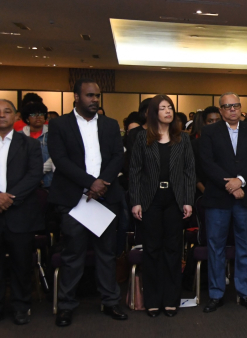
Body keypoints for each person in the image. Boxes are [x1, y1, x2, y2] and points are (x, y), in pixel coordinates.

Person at [48, 78, 128, 326]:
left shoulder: (110, 124)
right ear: (76, 96)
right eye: (89, 96)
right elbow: (60, 160)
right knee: (73, 255)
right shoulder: (60, 124)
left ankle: (110, 302)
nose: (95, 100)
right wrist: (89, 182)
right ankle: (66, 306)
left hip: (104, 198)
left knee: (106, 254)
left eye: (97, 96)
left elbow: (117, 156)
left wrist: (102, 181)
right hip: (75, 201)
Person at [199, 92, 247, 313]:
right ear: (220, 110)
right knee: (216, 246)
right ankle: (216, 293)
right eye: (227, 106)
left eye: (235, 105)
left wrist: (240, 181)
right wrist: (229, 185)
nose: (232, 109)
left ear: (241, 107)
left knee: (245, 246)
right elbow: (206, 163)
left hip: (246, 197)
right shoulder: (209, 132)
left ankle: (245, 291)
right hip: (218, 197)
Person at [129, 95, 196, 317]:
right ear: (153, 113)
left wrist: (188, 200)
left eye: (170, 108)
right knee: (152, 250)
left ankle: (171, 299)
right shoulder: (142, 138)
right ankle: (153, 300)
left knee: (173, 250)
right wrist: (136, 201)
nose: (168, 111)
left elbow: (189, 172)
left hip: (175, 199)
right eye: (162, 108)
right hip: (150, 199)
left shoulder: (182, 139)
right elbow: (135, 171)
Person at [0, 99, 43, 325]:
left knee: (21, 264)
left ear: (16, 117)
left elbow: (34, 175)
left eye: (7, 111)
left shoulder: (29, 144)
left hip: (20, 212)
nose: (2, 115)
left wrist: (8, 198)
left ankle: (20, 307)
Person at [20, 102, 54, 188]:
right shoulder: (20, 136)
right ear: (27, 118)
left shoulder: (53, 133)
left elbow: (55, 156)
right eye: (33, 114)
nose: (38, 116)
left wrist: (37, 172)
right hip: (24, 180)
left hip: (49, 181)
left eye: (41, 114)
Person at [191, 106, 222, 195]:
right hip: (203, 191)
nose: (214, 124)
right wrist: (204, 190)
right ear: (204, 123)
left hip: (226, 191)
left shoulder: (230, 143)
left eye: (218, 120)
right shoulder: (195, 144)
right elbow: (192, 171)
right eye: (210, 121)